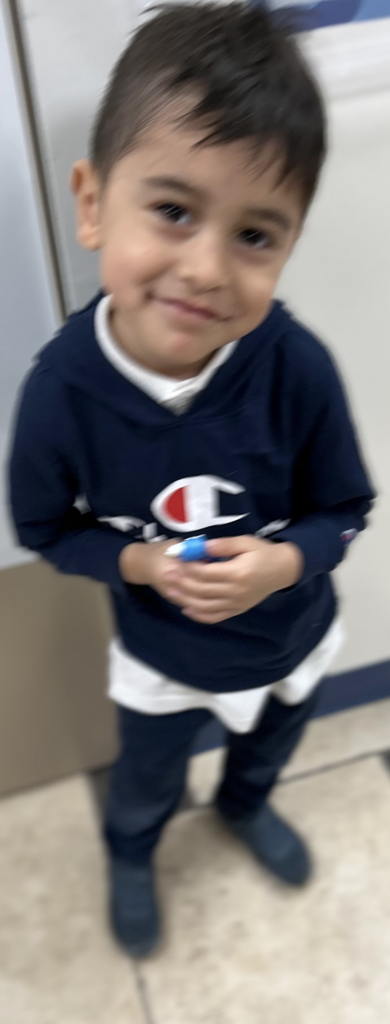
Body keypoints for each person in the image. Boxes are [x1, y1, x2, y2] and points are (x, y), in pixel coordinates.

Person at [9, 2, 374, 958]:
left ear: (290, 244)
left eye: (256, 234)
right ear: (92, 203)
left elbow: (347, 508)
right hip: (163, 664)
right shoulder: (58, 398)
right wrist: (143, 569)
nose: (207, 268)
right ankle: (133, 851)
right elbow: (49, 531)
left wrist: (286, 564)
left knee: (272, 744)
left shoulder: (297, 368)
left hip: (291, 636)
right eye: (172, 210)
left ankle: (245, 807)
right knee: (144, 778)